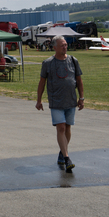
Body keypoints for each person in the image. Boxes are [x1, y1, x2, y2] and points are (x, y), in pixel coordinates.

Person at [36, 35, 84, 172]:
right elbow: (42, 83)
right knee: (61, 128)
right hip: (56, 101)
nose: (65, 46)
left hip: (70, 101)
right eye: (62, 45)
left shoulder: (73, 61)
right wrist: (39, 100)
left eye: (65, 44)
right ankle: (67, 158)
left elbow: (79, 81)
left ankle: (62, 153)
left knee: (68, 128)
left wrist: (82, 98)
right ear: (54, 47)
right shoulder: (48, 63)